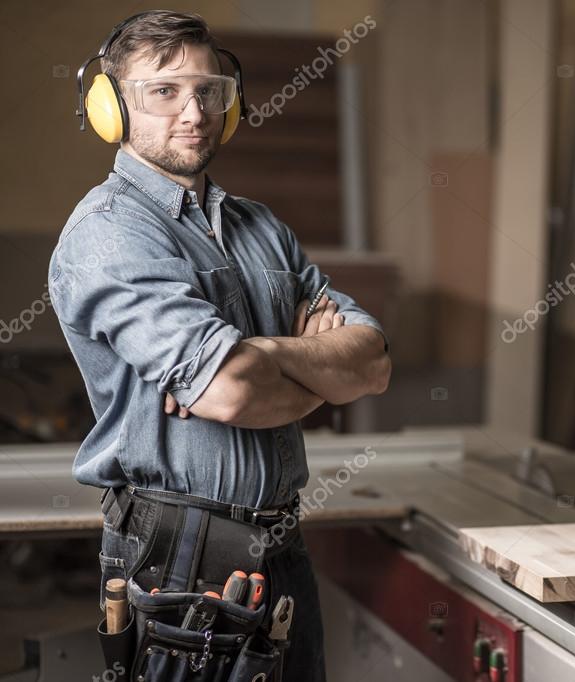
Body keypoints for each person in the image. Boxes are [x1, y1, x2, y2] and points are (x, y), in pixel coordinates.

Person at [48, 10, 390, 681]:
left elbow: (373, 363)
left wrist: (265, 358)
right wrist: (313, 375)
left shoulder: (262, 228)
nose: (194, 112)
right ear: (113, 108)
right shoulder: (108, 235)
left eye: (209, 91)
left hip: (282, 545)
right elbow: (232, 393)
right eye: (164, 91)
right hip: (178, 555)